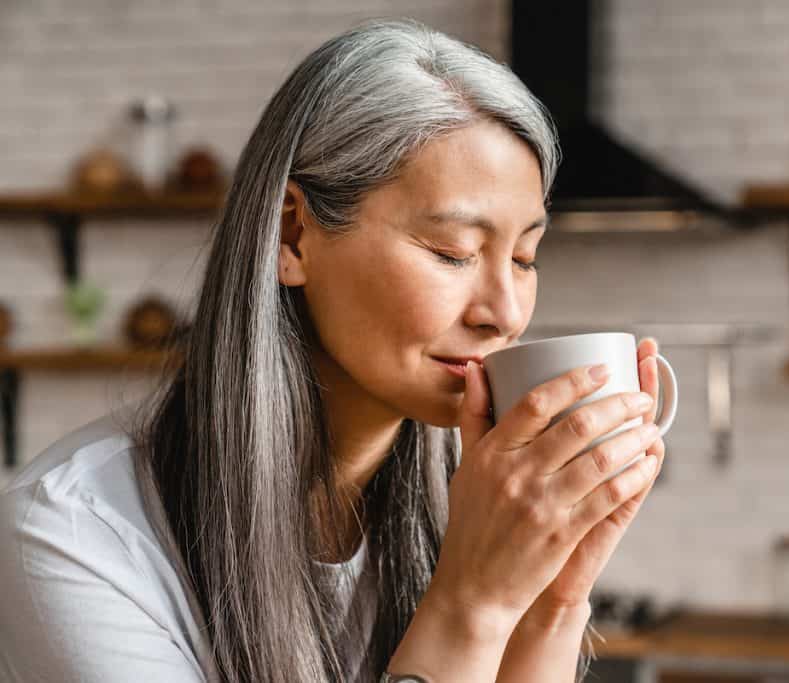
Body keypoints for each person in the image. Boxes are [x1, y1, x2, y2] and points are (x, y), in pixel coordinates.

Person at [0, 18, 665, 683]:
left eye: (524, 257)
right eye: (453, 252)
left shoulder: (470, 507)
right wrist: (472, 604)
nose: (506, 313)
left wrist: (551, 601)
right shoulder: (75, 535)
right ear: (293, 236)